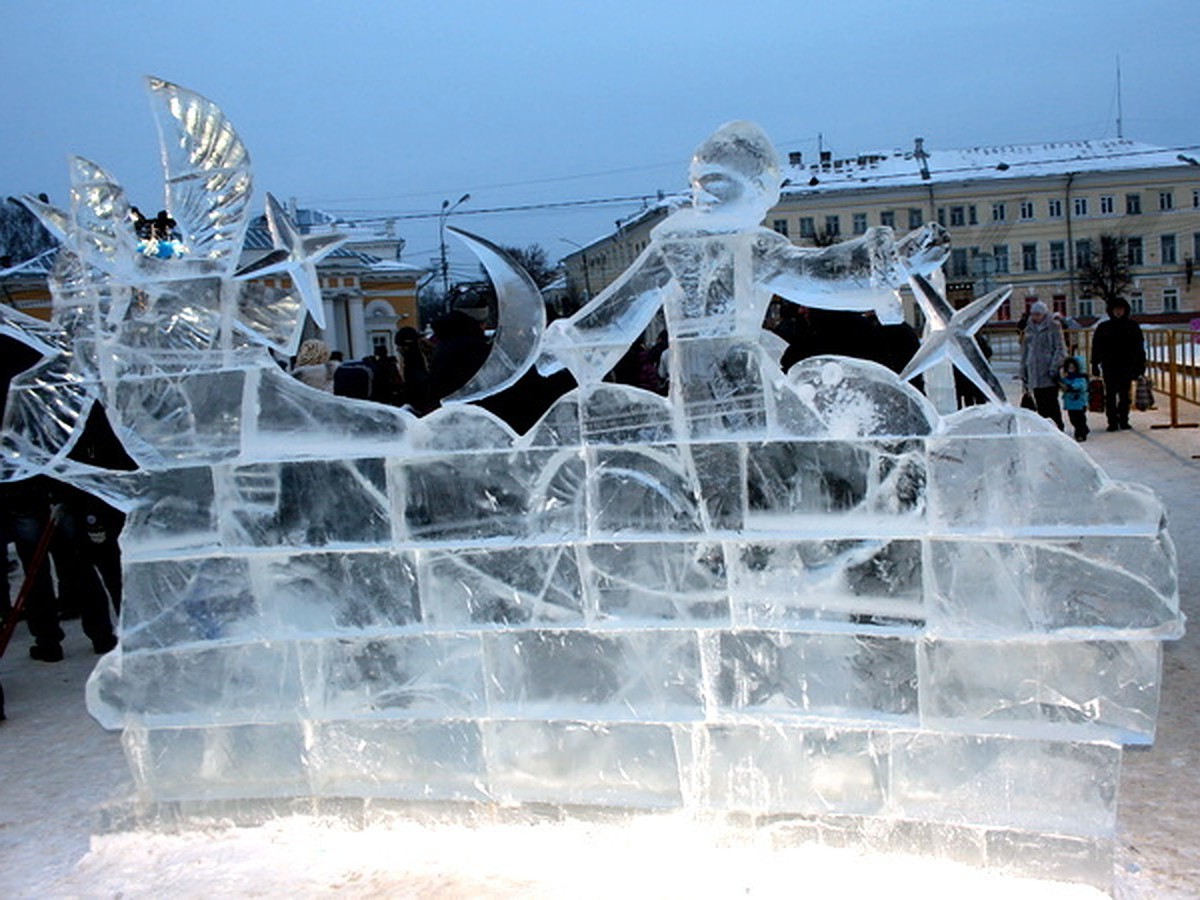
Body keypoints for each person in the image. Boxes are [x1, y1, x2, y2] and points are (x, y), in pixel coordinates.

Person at [537, 120, 949, 439]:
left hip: (745, 387)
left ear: (756, 190)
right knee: (716, 487)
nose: (703, 195)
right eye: (697, 184)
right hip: (692, 395)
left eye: (718, 182)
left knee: (777, 465)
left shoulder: (754, 247)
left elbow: (815, 272)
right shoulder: (673, 246)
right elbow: (621, 306)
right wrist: (567, 343)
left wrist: (895, 261)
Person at [1091, 297, 1145, 432]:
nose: (1118, 312)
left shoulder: (1132, 326)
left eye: (1121, 309)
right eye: (1116, 310)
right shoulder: (1104, 327)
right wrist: (1095, 364)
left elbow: (1139, 347)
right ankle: (1112, 421)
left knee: (1125, 395)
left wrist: (1140, 365)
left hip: (1127, 365)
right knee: (1110, 395)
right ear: (1111, 311)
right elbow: (1096, 347)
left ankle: (1124, 419)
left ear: (1125, 310)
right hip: (1109, 366)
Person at [1020, 300, 1066, 429]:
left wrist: (1054, 366)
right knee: (1039, 404)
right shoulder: (1029, 328)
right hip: (1034, 372)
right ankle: (1045, 429)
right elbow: (1025, 351)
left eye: (1038, 314)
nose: (1036, 317)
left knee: (1051, 402)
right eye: (1034, 314)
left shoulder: (1053, 327)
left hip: (1048, 372)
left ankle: (1058, 427)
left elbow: (1060, 349)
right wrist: (1023, 370)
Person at [1060, 356, 1090, 442]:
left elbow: (1081, 386)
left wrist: (1070, 387)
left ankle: (1080, 433)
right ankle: (1083, 429)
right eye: (1069, 367)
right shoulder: (1067, 378)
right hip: (1071, 404)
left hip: (1079, 403)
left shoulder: (1081, 378)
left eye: (1072, 367)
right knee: (1073, 419)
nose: (1071, 369)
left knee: (1080, 419)